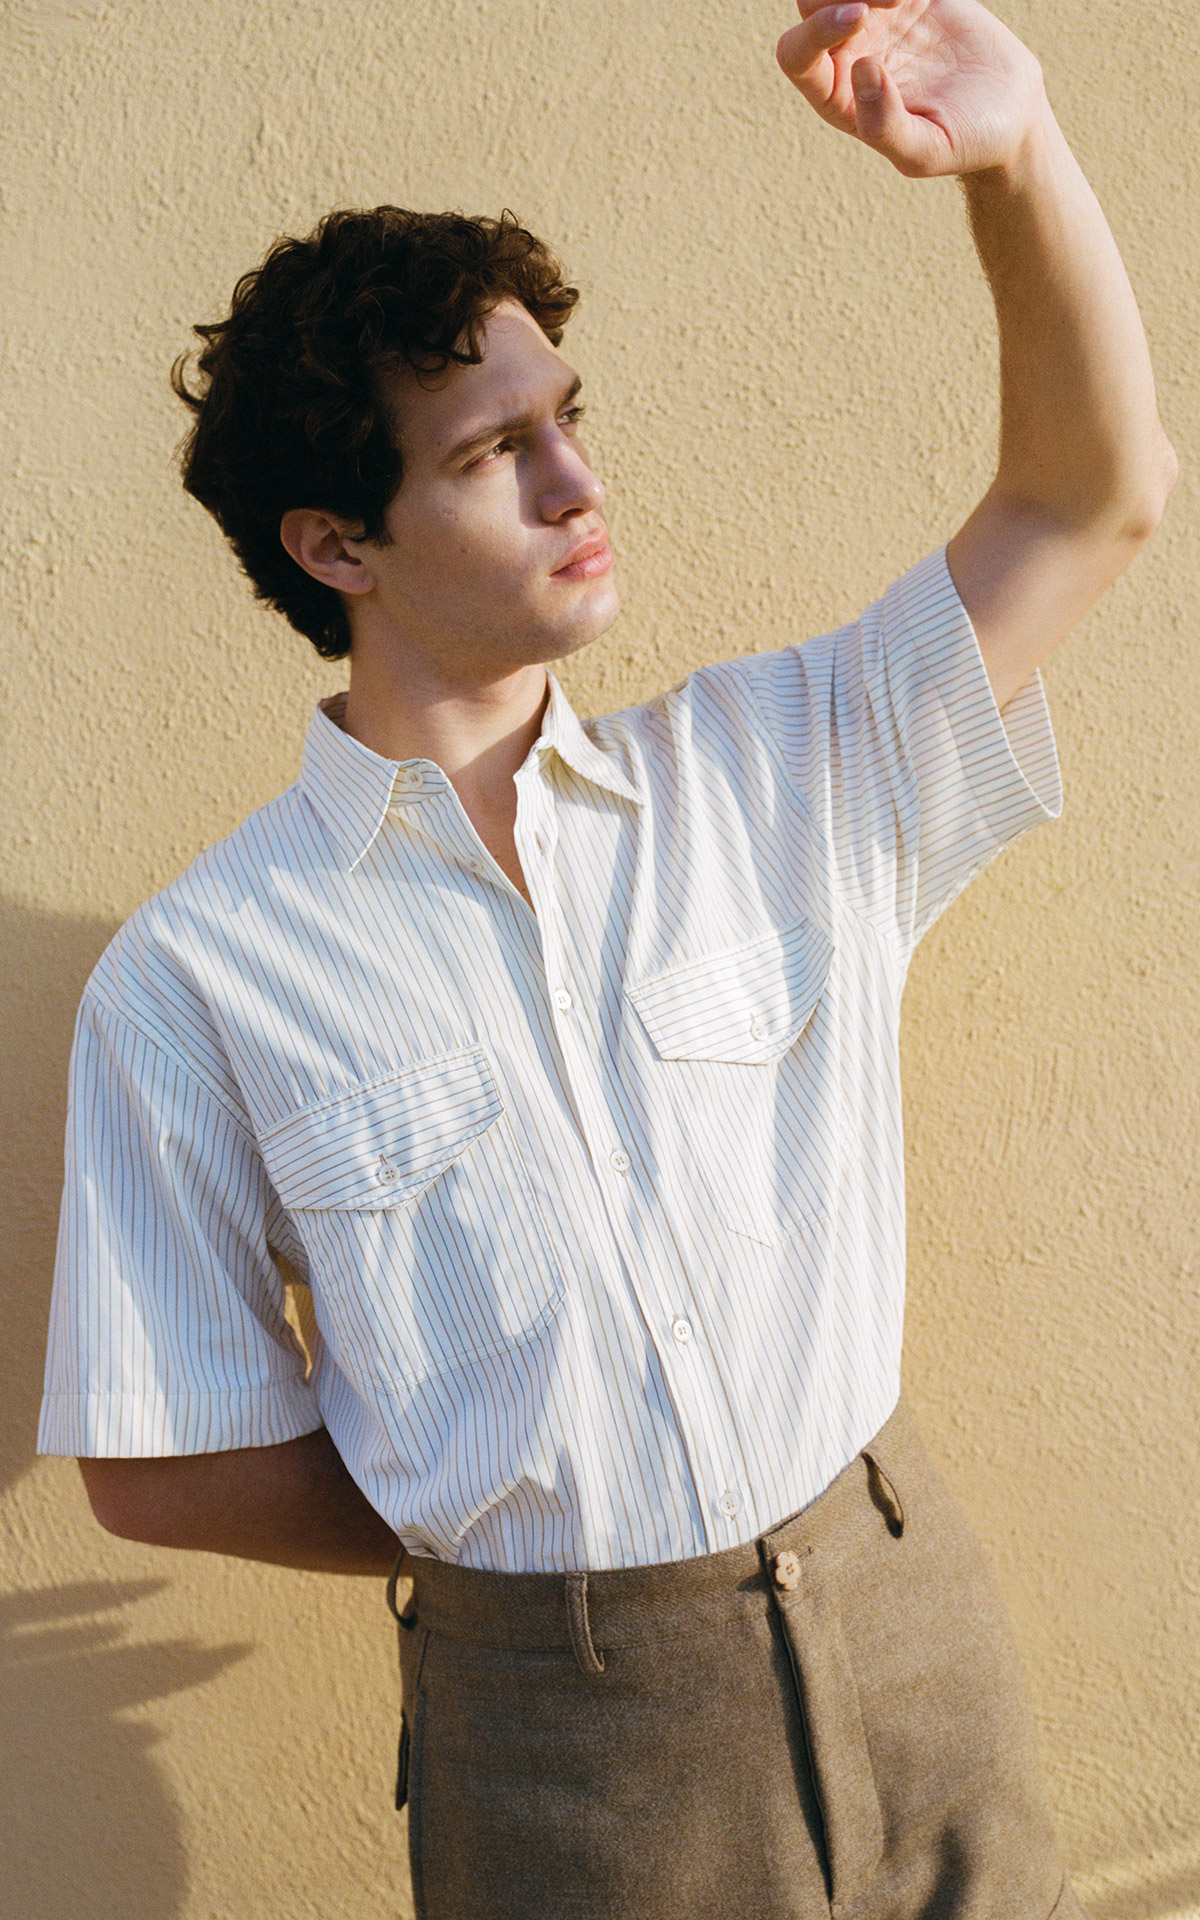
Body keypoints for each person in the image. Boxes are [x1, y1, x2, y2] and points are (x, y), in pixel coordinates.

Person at [40, 0, 1175, 1914]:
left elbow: (1091, 497)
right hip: (557, 1732)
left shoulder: (775, 771)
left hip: (911, 1625)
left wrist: (1018, 155)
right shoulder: (206, 974)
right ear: (338, 545)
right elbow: (160, 1459)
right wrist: (504, 1518)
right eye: (498, 452)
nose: (578, 483)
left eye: (570, 417)